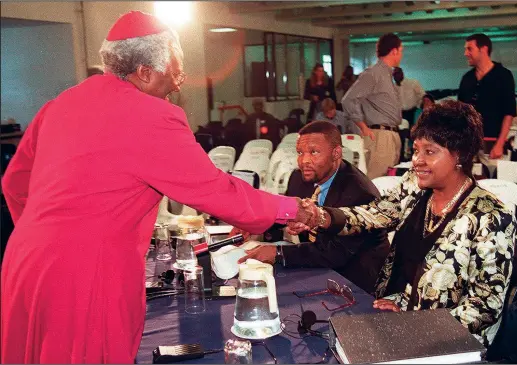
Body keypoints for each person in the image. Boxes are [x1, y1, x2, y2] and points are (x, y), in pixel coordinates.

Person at [0, 11, 314, 363]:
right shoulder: (149, 115)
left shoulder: (59, 105)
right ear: (144, 73)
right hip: (86, 274)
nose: (179, 84)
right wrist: (288, 208)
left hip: (24, 262)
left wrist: (44, 237)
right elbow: (214, 189)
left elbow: (14, 184)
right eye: (175, 72)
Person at [286, 100, 516, 347]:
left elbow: (485, 306)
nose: (417, 160)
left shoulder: (490, 216)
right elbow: (377, 214)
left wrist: (414, 325)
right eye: (416, 150)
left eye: (430, 152)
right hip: (401, 317)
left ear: (459, 154)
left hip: (452, 341)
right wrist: (320, 216)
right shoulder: (415, 185)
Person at [236, 121, 389, 294]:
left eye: (314, 152)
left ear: (336, 153)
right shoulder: (299, 178)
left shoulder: (360, 192)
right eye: (300, 153)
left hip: (354, 284)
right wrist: (255, 225)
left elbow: (335, 254)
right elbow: (286, 216)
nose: (304, 161)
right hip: (315, 270)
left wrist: (278, 253)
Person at [342, 33, 403, 179]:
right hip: (379, 136)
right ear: (394, 51)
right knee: (377, 182)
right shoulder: (373, 73)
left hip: (391, 135)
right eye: (401, 51)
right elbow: (349, 99)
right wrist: (363, 126)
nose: (401, 55)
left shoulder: (388, 75)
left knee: (388, 183)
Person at [458, 33, 517, 160]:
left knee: (494, 178)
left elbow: (509, 113)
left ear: (483, 49)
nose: (465, 53)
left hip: (493, 143)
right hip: (469, 144)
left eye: (469, 49)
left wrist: (500, 144)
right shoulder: (467, 79)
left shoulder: (503, 76)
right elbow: (460, 113)